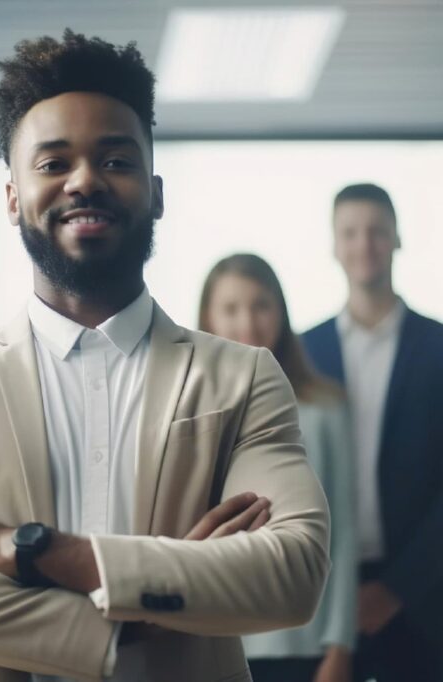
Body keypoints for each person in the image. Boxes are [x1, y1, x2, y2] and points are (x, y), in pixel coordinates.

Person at [0, 30, 330, 682]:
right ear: (14, 197)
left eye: (115, 160)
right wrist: (128, 616)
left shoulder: (242, 378)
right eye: (53, 164)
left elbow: (294, 570)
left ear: (156, 191)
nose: (84, 180)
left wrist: (31, 551)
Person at [302, 183, 443, 682]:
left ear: (397, 239)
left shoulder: (438, 347)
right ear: (335, 245)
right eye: (351, 233)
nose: (365, 244)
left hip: (425, 596)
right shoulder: (302, 352)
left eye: (377, 231)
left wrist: (399, 588)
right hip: (318, 594)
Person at [199, 253, 357, 682]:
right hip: (213, 636)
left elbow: (343, 531)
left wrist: (340, 644)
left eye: (261, 305)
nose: (247, 321)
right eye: (231, 308)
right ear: (207, 317)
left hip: (303, 640)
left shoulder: (325, 409)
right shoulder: (187, 413)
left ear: (281, 314)